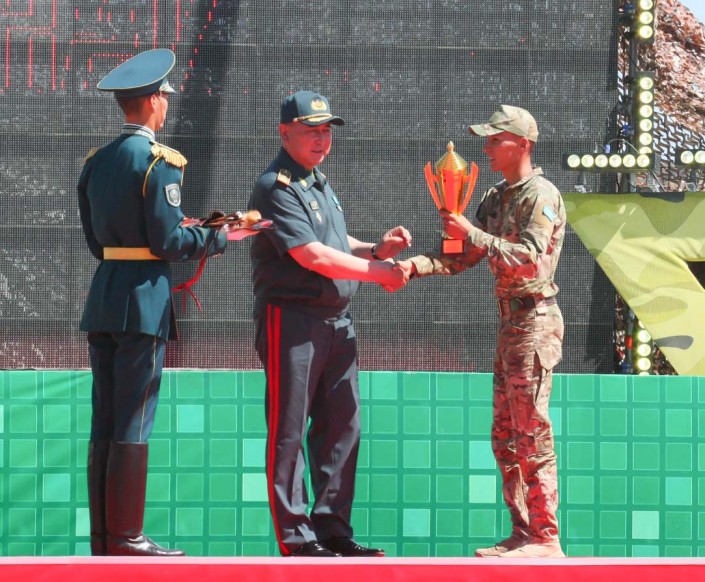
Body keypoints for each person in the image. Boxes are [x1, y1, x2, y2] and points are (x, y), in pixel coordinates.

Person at [78, 49, 240, 557]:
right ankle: (128, 536)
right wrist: (218, 237)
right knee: (134, 416)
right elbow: (168, 242)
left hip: (105, 295)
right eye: (165, 96)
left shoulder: (97, 162)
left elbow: (97, 242)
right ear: (152, 101)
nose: (167, 103)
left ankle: (105, 538)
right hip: (144, 300)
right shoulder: (159, 161)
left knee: (105, 418)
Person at [397, 105, 566, 558]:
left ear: (522, 144)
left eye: (495, 139)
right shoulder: (496, 195)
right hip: (511, 323)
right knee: (505, 436)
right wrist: (413, 267)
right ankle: (523, 532)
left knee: (532, 433)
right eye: (486, 140)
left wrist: (473, 232)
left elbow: (529, 258)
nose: (486, 147)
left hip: (534, 321)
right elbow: (462, 256)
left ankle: (546, 538)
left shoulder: (541, 194)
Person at [248, 90, 410, 557]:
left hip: (337, 322)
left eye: (326, 131)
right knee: (289, 430)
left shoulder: (316, 181)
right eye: (310, 131)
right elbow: (312, 255)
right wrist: (379, 273)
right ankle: (297, 538)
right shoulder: (275, 186)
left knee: (343, 427)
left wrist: (375, 249)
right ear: (285, 133)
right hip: (292, 320)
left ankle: (333, 530)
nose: (321, 139)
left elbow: (334, 242)